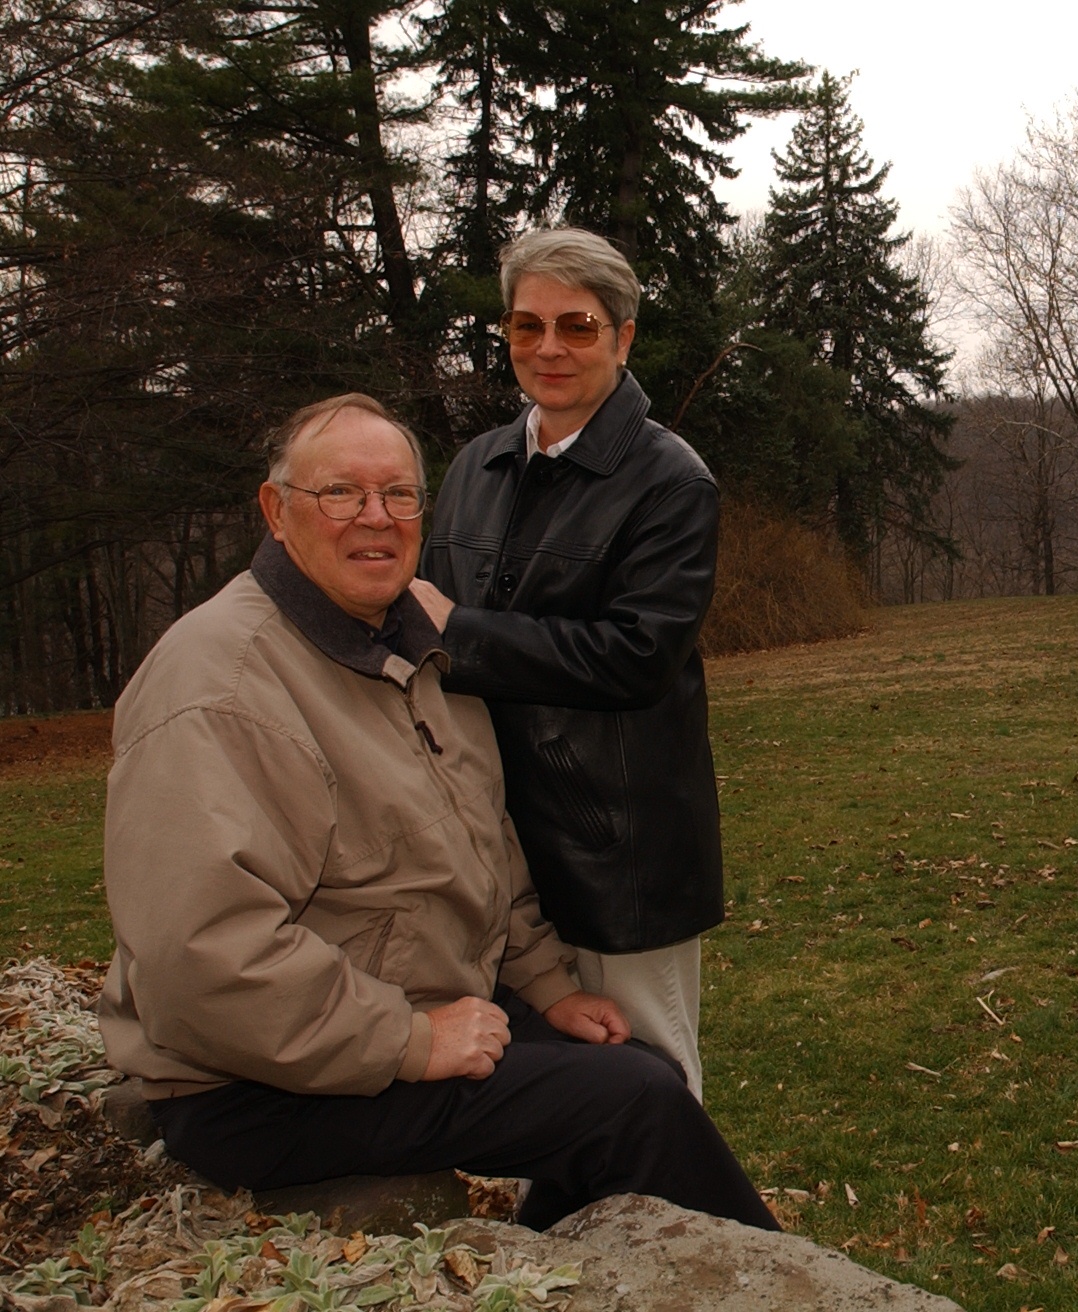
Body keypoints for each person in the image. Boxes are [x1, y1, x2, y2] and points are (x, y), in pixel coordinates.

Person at [97, 393, 775, 1232]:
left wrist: (543, 984)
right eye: (340, 493)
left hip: (384, 1013)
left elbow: (482, 841)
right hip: (255, 1086)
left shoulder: (402, 645)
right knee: (633, 1103)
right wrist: (412, 1042)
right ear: (277, 512)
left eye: (400, 495)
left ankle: (556, 1268)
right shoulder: (221, 685)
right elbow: (200, 964)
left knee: (636, 1070)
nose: (374, 519)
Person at [414, 228, 723, 1100]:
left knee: (650, 1073)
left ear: (623, 338)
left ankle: (687, 1235)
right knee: (540, 1079)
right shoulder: (479, 466)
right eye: (526, 325)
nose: (548, 348)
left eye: (577, 326)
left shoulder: (670, 481)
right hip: (491, 839)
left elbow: (637, 657)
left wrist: (465, 632)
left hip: (613, 847)